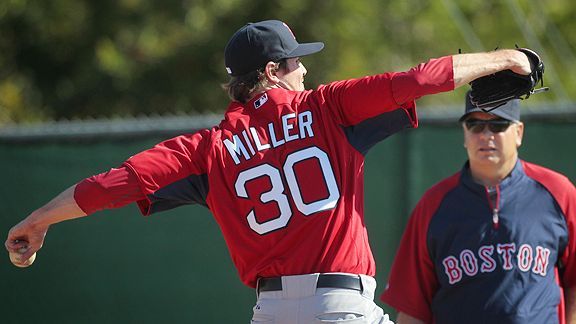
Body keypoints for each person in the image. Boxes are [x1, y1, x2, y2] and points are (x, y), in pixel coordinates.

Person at [6, 19, 535, 323]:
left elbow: (115, 184)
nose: (305, 68)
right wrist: (505, 57)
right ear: (272, 72)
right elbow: (421, 78)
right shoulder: (328, 108)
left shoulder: (207, 147)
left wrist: (39, 220)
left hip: (272, 313)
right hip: (339, 305)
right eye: (296, 61)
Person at [381, 92, 576, 324]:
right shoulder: (434, 204)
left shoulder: (557, 192)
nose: (485, 135)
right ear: (464, 134)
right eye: (474, 124)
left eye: (498, 124)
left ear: (518, 133)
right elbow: (413, 308)